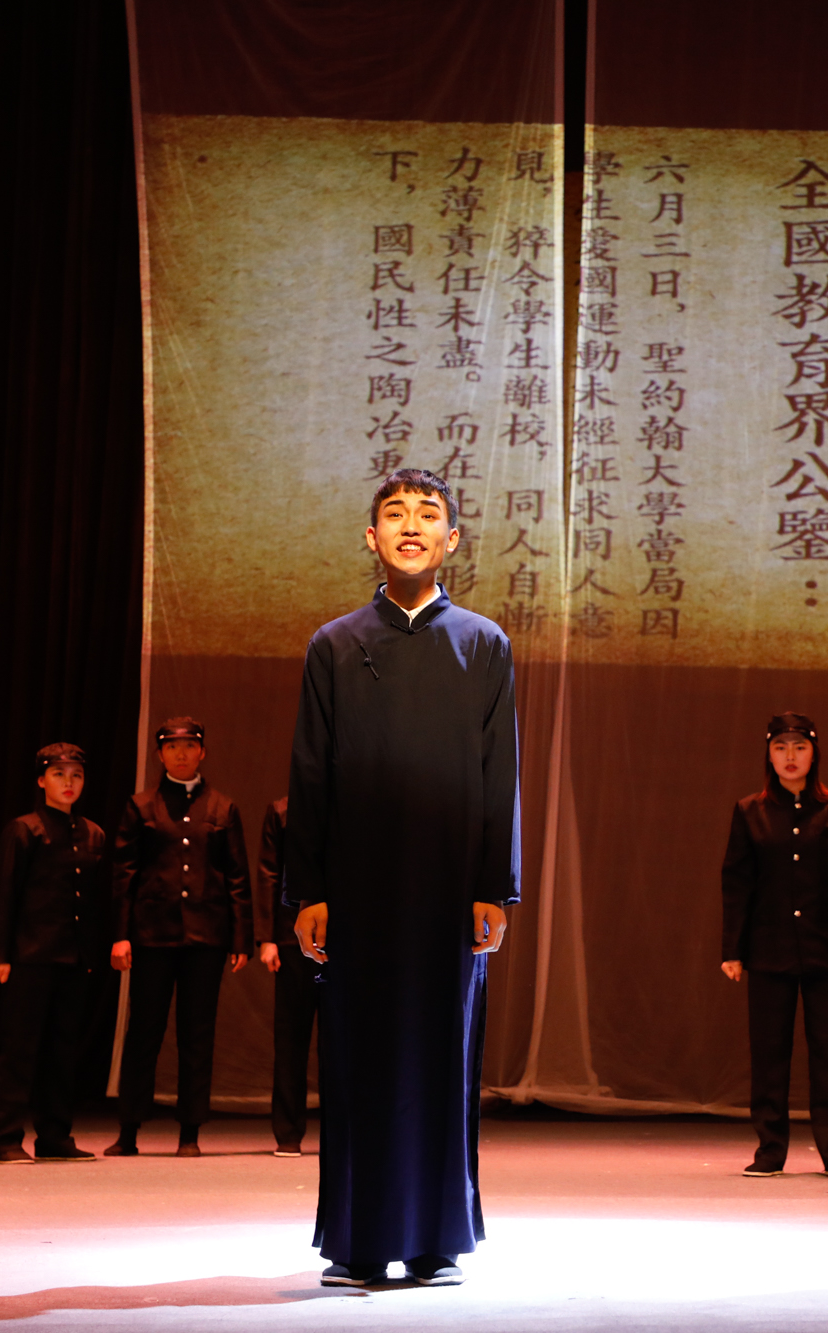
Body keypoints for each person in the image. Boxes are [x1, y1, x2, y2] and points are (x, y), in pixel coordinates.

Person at [286, 468, 520, 1288]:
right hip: (357, 886)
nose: (411, 525)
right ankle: (356, 1244)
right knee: (358, 1057)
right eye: (395, 514)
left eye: (428, 515)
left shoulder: (483, 643)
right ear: (372, 536)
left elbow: (500, 772)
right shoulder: (334, 643)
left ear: (451, 539)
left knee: (442, 1057)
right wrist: (308, 889)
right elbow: (310, 772)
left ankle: (435, 1243)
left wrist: (496, 885)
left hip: (451, 890)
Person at [720, 713, 828, 1181]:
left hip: (826, 953)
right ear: (768, 753)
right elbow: (737, 883)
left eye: (799, 747)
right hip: (768, 949)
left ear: (814, 753)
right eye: (780, 747)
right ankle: (769, 1149)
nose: (790, 756)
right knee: (769, 1053)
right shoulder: (750, 811)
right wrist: (733, 949)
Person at [106, 717, 251, 1158]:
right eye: (172, 747)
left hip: (206, 936)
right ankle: (129, 1129)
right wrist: (120, 935)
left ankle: (190, 1131)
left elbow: (237, 877)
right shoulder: (141, 806)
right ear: (160, 755)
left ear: (202, 751)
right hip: (152, 934)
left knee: (197, 1034)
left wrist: (241, 939)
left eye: (189, 746)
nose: (181, 754)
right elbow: (124, 874)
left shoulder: (222, 807)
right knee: (143, 1031)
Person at [0, 743, 110, 1164]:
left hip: (73, 958)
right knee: (20, 1050)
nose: (68, 783)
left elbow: (93, 902)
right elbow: (5, 893)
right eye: (59, 774)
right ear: (42, 780)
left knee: (62, 1051)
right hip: (30, 956)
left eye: (76, 775)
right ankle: (5, 1138)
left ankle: (54, 1136)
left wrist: (91, 953)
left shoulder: (93, 833)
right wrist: (0, 953)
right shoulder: (25, 830)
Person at [256, 796, 321, 1157]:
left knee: (342, 1041)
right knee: (291, 1038)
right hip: (291, 936)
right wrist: (267, 938)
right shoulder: (282, 810)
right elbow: (269, 871)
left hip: (343, 940)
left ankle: (343, 1130)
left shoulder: (355, 801)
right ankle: (288, 1132)